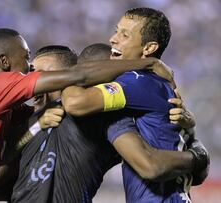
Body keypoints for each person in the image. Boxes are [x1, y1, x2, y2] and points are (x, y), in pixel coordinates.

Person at [0, 28, 173, 202]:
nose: (30, 73)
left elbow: (146, 158)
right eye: (27, 61)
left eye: (39, 72)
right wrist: (148, 63)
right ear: (4, 62)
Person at [11, 44, 207, 203]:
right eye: (32, 73)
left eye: (44, 75)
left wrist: (194, 143)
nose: (36, 81)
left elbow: (151, 164)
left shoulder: (105, 117)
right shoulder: (29, 119)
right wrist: (34, 127)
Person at [61, 8, 209, 202]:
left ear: (149, 48)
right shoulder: (153, 81)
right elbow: (198, 174)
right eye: (116, 30)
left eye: (125, 35)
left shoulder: (138, 81)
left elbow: (75, 103)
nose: (113, 38)